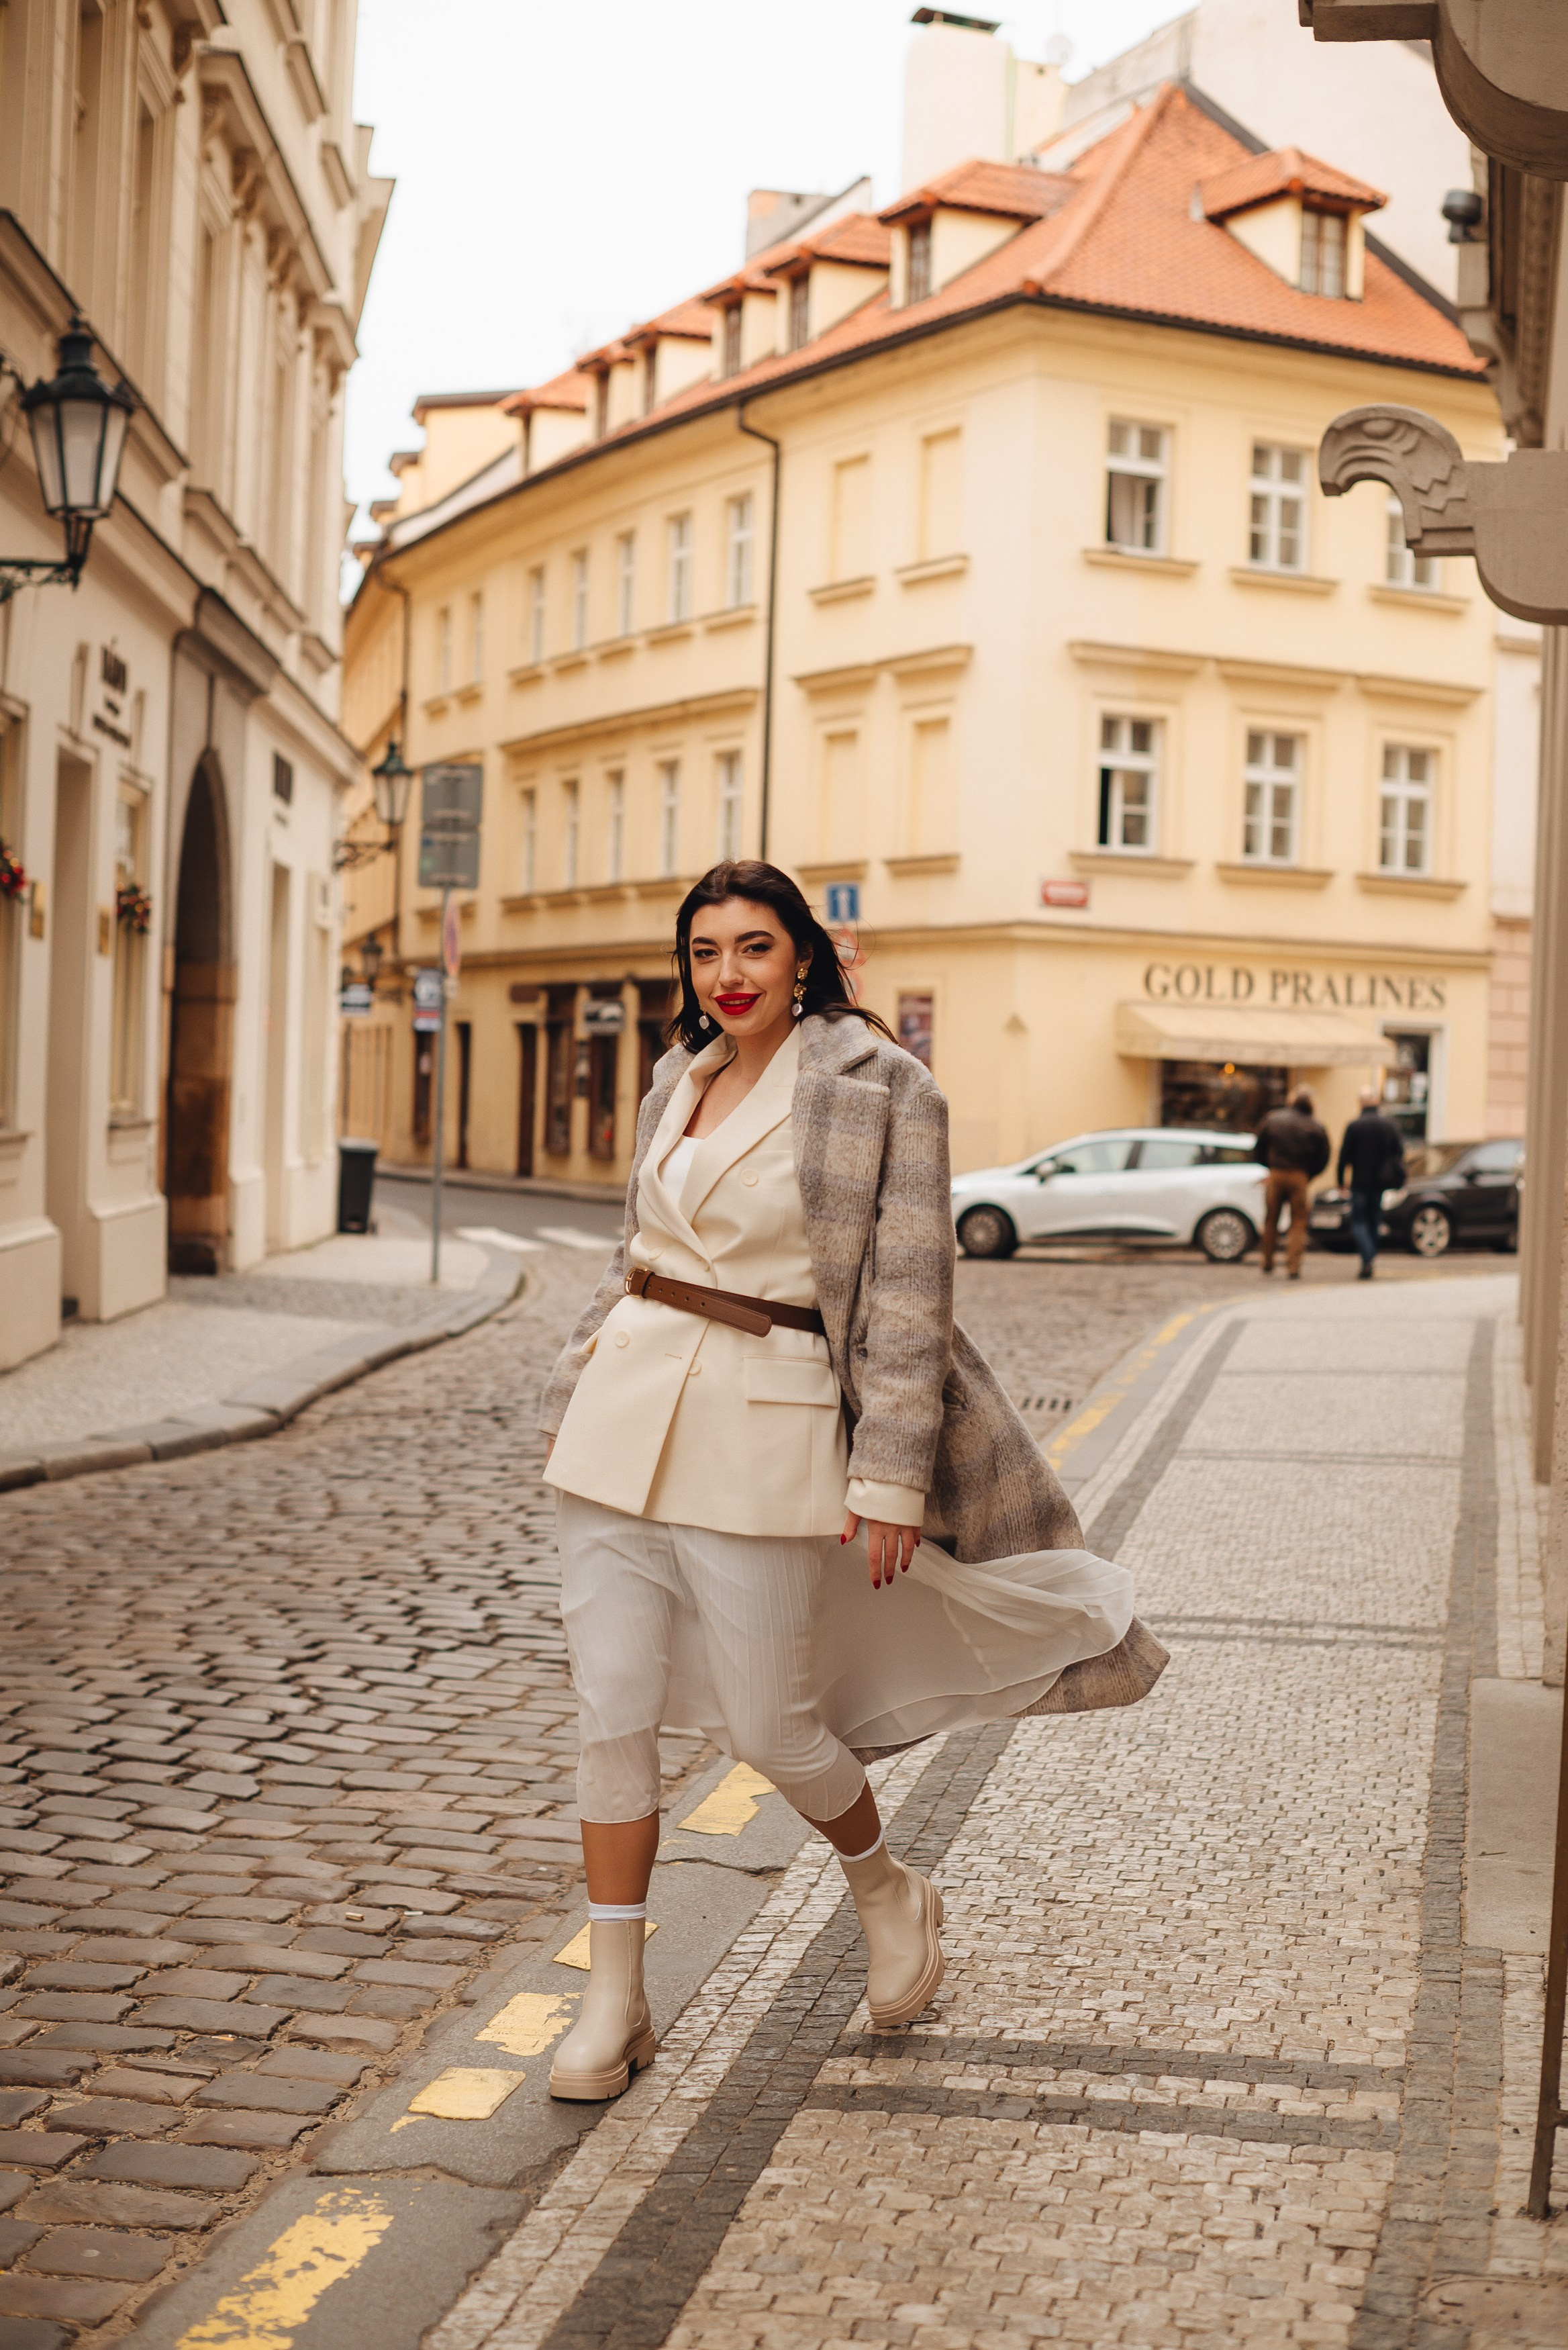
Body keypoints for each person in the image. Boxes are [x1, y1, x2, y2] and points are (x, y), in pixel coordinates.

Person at [538, 859, 1167, 2100]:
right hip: (619, 1422)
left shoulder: (884, 1086)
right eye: (708, 950)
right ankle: (612, 1999)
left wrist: (886, 1475)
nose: (728, 975)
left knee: (774, 1722)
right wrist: (576, 1375)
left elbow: (908, 1292)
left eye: (755, 949)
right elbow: (636, 1250)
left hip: (769, 1428)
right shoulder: (679, 1077)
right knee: (611, 1713)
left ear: (804, 959)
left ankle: (886, 1890)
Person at [1253, 1087, 1330, 1279]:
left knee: (1271, 1219)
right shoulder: (1315, 1125)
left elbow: (1258, 1147)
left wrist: (1269, 1166)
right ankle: (1293, 1266)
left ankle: (1267, 1261)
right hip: (1299, 1176)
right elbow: (1324, 1156)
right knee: (1298, 1222)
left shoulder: (1273, 1119)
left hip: (1277, 1173)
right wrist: (1309, 1174)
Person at [1337, 1087, 1406, 1280]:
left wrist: (1341, 1180)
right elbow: (1399, 1152)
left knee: (1358, 1220)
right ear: (1378, 1102)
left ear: (1361, 1103)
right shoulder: (1389, 1125)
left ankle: (1367, 1258)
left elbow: (1344, 1156)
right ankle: (1370, 1257)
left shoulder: (1355, 1126)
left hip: (1360, 1181)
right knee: (1374, 1219)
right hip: (1380, 1182)